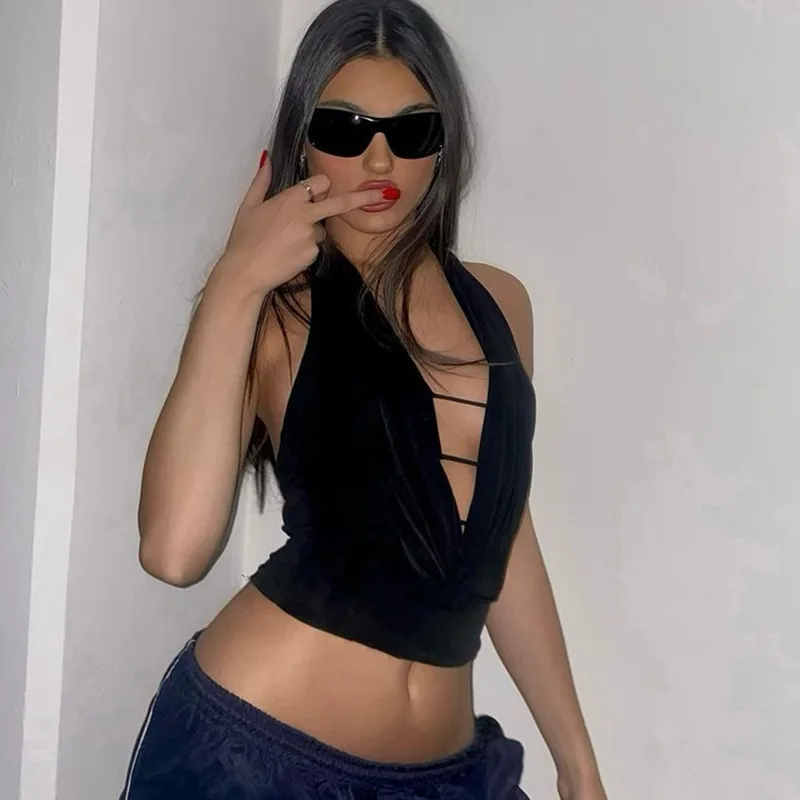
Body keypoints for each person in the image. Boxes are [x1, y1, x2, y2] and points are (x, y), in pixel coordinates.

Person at [121, 1, 608, 798]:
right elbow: (173, 552)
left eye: (411, 131)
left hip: (447, 774)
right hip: (255, 758)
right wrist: (235, 281)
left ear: (444, 142)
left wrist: (576, 761)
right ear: (303, 139)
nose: (380, 160)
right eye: (345, 128)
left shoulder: (501, 303)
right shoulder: (275, 309)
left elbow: (500, 534)